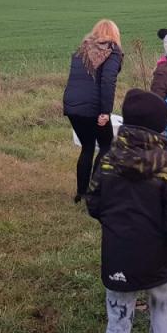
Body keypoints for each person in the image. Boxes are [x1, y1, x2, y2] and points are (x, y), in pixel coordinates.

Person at [86, 89, 167, 333]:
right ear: (161, 128)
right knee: (162, 311)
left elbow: (94, 203)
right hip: (160, 261)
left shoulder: (106, 161)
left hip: (118, 257)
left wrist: (117, 225)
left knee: (118, 322)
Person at [62, 19, 123, 203]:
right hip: (93, 108)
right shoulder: (112, 52)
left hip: (72, 105)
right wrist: (105, 112)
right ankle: (95, 190)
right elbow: (107, 82)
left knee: (87, 147)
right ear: (115, 35)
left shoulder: (82, 50)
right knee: (106, 146)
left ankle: (81, 193)